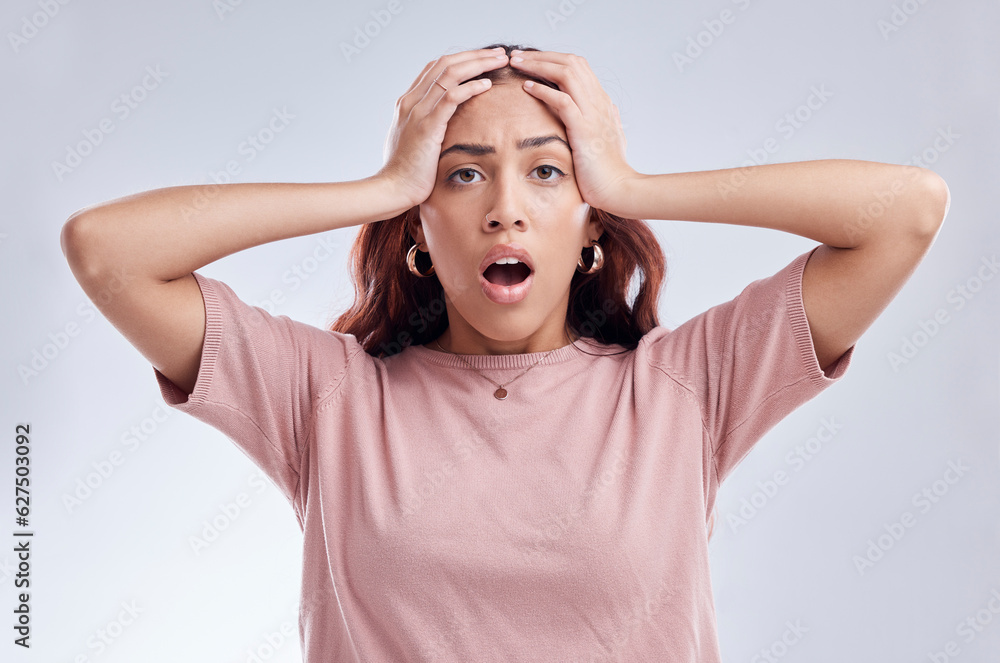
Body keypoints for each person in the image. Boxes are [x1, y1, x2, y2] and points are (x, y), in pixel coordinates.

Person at [60, 42, 949, 662]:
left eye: (548, 169)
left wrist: (635, 182)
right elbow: (107, 249)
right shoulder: (325, 398)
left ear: (588, 224)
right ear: (421, 227)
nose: (506, 208)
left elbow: (907, 209)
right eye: (463, 171)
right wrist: (377, 186)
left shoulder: (681, 388)